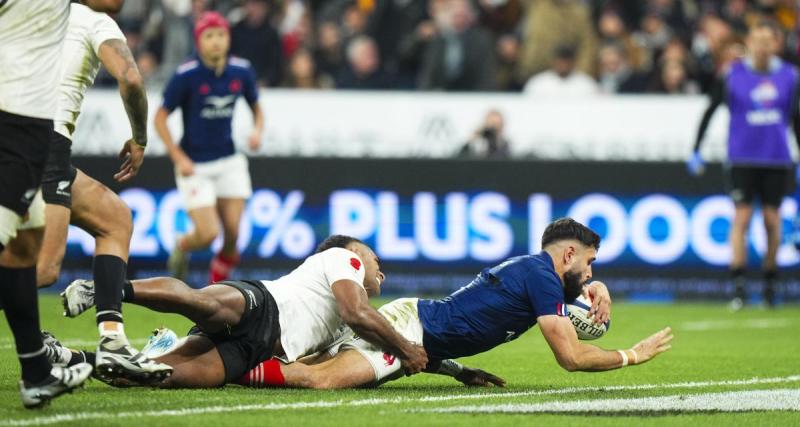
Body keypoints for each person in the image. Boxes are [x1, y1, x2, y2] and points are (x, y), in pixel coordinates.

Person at [234, 218, 672, 389]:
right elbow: (570, 357)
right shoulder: (541, 275)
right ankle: (227, 369)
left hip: (418, 326)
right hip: (410, 326)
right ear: (569, 255)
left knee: (306, 361)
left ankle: (223, 358)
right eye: (591, 262)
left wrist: (459, 369)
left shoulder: (539, 274)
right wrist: (633, 354)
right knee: (320, 379)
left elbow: (572, 291)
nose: (592, 273)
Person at [59, 236, 428, 388]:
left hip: (260, 346)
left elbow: (364, 333)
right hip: (264, 304)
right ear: (354, 250)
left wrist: (455, 368)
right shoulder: (341, 258)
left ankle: (69, 358)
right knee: (200, 302)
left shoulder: (363, 317)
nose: (379, 265)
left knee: (164, 375)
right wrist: (406, 349)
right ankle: (107, 290)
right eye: (373, 256)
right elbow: (356, 312)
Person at [31, 1, 172, 385]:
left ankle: (112, 340)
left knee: (115, 219)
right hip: (41, 145)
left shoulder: (33, 12)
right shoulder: (95, 22)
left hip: (22, 141)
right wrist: (140, 137)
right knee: (43, 268)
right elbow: (130, 78)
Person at [0, 0, 124, 409]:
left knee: (24, 247)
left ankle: (37, 372)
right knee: (26, 252)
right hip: (13, 119)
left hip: (35, 128)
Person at [688, 21, 800, 310]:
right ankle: (738, 288)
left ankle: (769, 285)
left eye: (768, 40)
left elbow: (796, 118)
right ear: (749, 42)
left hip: (776, 158)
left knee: (772, 220)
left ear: (775, 44)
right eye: (757, 40)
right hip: (741, 157)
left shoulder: (789, 76)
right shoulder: (732, 75)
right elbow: (710, 109)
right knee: (742, 218)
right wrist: (697, 148)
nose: (762, 46)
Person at [155, 11, 264, 284]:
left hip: (229, 160)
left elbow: (257, 106)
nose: (216, 41)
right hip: (195, 164)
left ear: (228, 38)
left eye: (221, 35)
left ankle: (217, 291)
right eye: (209, 36)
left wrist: (257, 130)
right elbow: (160, 118)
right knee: (207, 233)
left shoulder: (242, 70)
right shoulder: (186, 75)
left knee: (233, 237)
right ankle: (183, 245)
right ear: (199, 41)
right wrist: (178, 157)